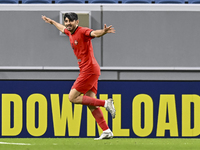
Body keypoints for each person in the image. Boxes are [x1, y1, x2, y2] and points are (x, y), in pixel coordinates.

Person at [41, 12, 116, 140]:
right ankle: (107, 131)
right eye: (66, 21)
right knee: (91, 103)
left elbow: (94, 33)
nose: (68, 23)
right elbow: (62, 28)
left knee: (72, 97)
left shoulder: (82, 31)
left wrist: (103, 32)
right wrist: (53, 22)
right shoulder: (70, 32)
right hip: (89, 70)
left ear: (77, 21)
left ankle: (106, 103)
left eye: (70, 21)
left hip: (89, 70)